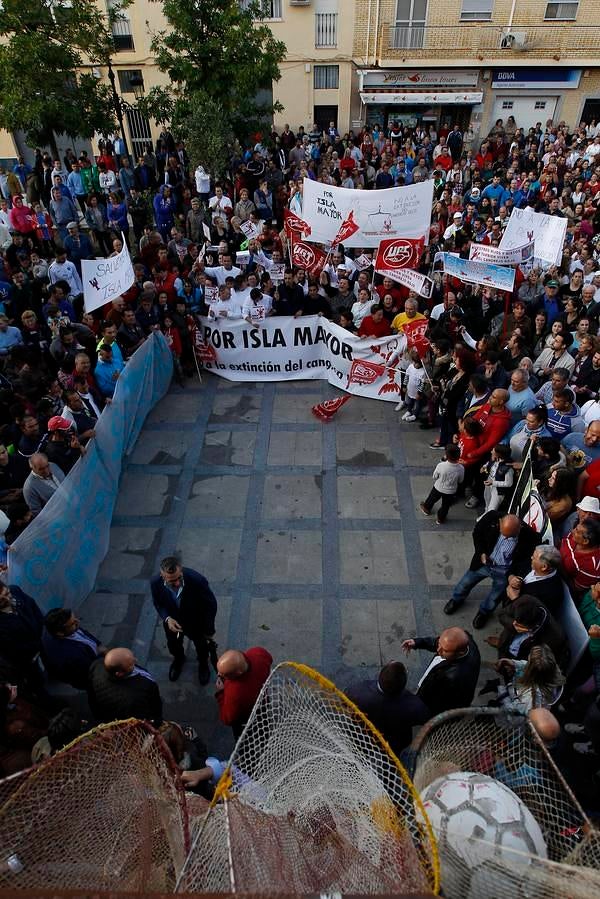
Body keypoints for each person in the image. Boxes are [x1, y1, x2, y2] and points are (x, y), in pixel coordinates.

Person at [444, 512, 542, 628]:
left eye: (510, 537)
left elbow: (526, 561)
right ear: (500, 522)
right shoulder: (491, 517)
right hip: (483, 564)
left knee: (495, 596)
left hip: (504, 571)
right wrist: (481, 552)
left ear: (519, 528)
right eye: (503, 534)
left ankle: (484, 612)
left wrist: (513, 575)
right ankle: (456, 599)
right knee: (465, 583)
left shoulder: (530, 537)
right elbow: (477, 533)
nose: (505, 538)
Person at [150, 556, 218, 684]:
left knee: (202, 647)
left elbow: (211, 606)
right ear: (162, 575)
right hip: (173, 624)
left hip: (197, 624)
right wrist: (167, 618)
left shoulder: (197, 581)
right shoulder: (155, 583)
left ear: (181, 571)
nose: (176, 583)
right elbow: (158, 603)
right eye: (171, 580)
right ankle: (179, 660)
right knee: (173, 644)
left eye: (178, 578)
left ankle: (203, 665)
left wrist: (209, 629)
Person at [344, 661, 429, 754]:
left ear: (380, 675)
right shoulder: (414, 706)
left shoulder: (358, 692)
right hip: (393, 745)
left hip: (363, 739)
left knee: (362, 755)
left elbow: (345, 700)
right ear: (403, 684)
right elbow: (424, 717)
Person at [401, 627, 481, 716]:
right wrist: (418, 642)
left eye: (445, 650)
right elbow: (437, 642)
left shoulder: (453, 679)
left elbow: (436, 700)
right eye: (440, 644)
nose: (438, 650)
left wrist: (419, 700)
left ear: (460, 653)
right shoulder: (462, 643)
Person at [87, 647, 162, 725]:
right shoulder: (141, 691)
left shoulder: (96, 665)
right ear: (119, 674)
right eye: (131, 664)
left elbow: (91, 696)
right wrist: (157, 721)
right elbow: (150, 711)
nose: (136, 660)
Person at [215, 647, 272, 738]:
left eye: (225, 675)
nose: (219, 675)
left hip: (246, 716)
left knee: (244, 737)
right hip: (262, 702)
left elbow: (227, 719)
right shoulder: (258, 653)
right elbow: (269, 658)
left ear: (239, 673)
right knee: (263, 722)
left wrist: (221, 693)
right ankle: (265, 738)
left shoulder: (234, 693)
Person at [41, 608, 104, 689]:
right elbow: (91, 671)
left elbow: (83, 633)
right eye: (73, 623)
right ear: (60, 633)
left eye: (75, 618)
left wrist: (97, 643)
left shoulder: (66, 630)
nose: (78, 622)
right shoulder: (72, 655)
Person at [419, 443, 464, 524]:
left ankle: (426, 509)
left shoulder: (441, 465)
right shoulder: (461, 468)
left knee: (432, 498)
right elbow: (460, 480)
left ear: (446, 455)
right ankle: (440, 518)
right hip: (451, 491)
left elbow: (435, 476)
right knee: (446, 506)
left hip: (438, 487)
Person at [22, 452, 65, 517]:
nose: (46, 471)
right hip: (59, 517)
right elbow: (37, 512)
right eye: (41, 469)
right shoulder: (29, 488)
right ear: (32, 468)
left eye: (47, 466)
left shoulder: (53, 465)